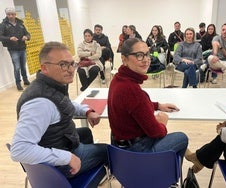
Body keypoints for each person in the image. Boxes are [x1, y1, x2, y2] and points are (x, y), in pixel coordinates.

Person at [10, 41, 108, 179]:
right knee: (107, 151)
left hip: (57, 143)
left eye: (72, 64)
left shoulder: (51, 86)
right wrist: (67, 157)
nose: (71, 69)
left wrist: (86, 111)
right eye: (63, 64)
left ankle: (88, 169)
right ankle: (86, 171)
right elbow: (19, 150)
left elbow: (63, 104)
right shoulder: (40, 103)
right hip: (55, 169)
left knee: (85, 133)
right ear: (44, 68)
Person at [107, 38, 188, 160]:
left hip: (119, 148)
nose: (146, 60)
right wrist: (162, 123)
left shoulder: (118, 79)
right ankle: (166, 175)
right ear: (124, 59)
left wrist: (157, 105)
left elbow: (134, 106)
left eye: (147, 54)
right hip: (136, 152)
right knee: (182, 138)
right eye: (139, 55)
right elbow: (156, 132)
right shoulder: (132, 90)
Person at [0, 7, 31, 91]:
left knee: (23, 66)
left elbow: (28, 34)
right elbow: (1, 36)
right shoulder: (3, 25)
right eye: (9, 14)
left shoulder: (21, 23)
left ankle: (26, 80)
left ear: (15, 14)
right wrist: (10, 38)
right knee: (17, 67)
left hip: (22, 48)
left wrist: (26, 37)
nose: (11, 16)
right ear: (6, 15)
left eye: (12, 14)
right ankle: (18, 83)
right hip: (13, 49)